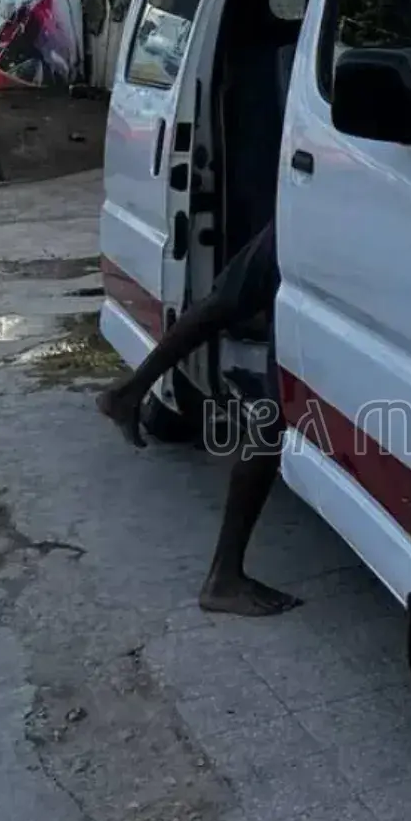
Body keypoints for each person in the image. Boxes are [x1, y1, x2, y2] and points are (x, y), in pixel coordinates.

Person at [98, 222, 301, 617]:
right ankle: (223, 578)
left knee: (223, 301)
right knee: (275, 412)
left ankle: (129, 393)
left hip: (305, 198)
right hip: (322, 210)